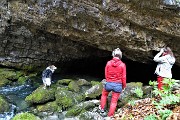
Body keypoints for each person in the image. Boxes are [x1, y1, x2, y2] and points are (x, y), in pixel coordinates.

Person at [99, 48, 126, 117]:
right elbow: (123, 77)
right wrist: (123, 86)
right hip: (118, 85)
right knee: (114, 101)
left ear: (113, 55)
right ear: (120, 56)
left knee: (104, 95)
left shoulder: (108, 63)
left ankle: (102, 109)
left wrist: (108, 81)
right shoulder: (123, 65)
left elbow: (106, 74)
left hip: (109, 83)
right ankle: (110, 116)